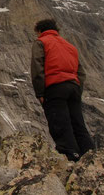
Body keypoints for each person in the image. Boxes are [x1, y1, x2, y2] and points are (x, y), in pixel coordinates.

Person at [31, 18, 95, 161]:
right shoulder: (69, 46)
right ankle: (91, 156)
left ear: (40, 31)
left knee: (60, 123)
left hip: (55, 87)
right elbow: (81, 72)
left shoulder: (41, 42)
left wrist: (40, 92)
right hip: (73, 87)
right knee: (78, 123)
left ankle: (71, 154)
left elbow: (37, 67)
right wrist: (78, 89)